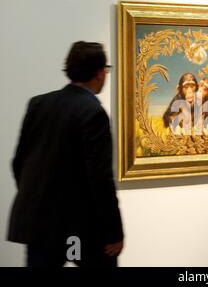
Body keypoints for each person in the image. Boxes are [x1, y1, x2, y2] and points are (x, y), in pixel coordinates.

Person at [8, 41, 124, 267]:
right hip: (81, 228)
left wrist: (38, 198)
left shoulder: (38, 104)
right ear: (100, 73)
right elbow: (100, 179)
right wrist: (114, 232)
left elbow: (18, 162)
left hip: (38, 224)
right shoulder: (93, 113)